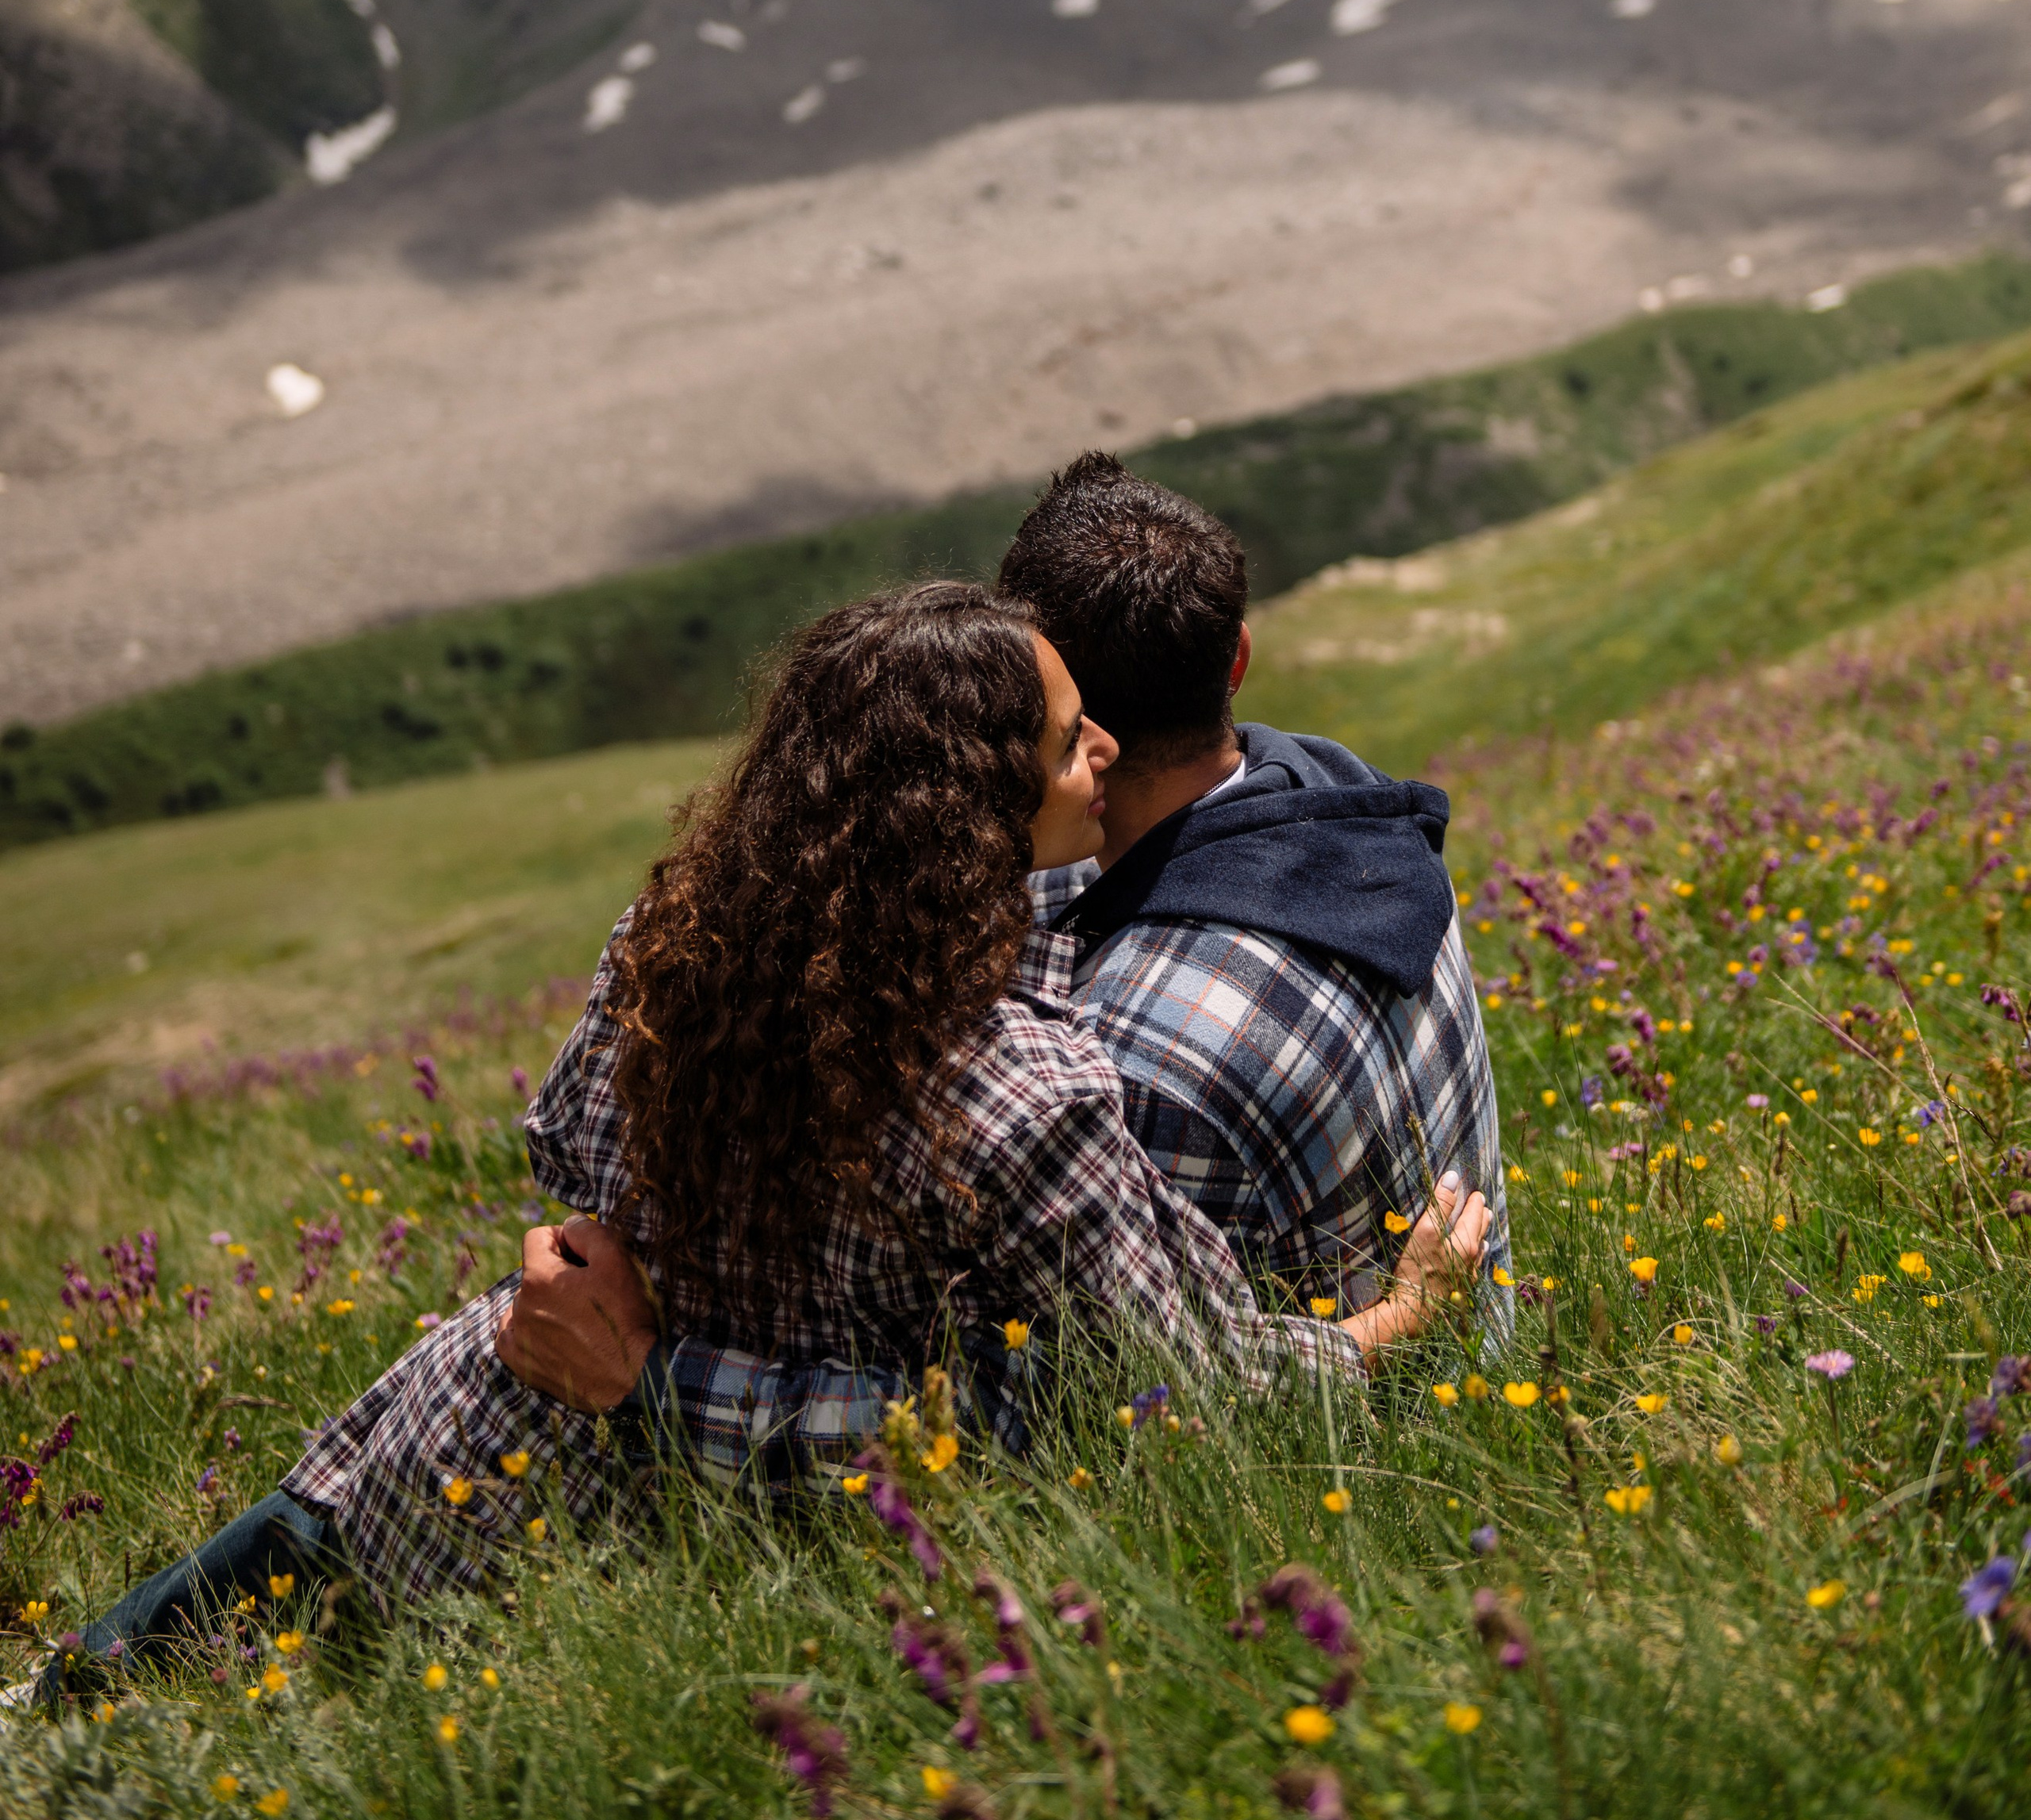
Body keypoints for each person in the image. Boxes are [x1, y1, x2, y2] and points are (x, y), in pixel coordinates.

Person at [27, 582, 1485, 1696]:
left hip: (421, 1455)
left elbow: (583, 1202)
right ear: (967, 813)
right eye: (1064, 736)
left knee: (67, 1713)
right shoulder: (1024, 1097)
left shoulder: (675, 942)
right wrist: (1398, 1314)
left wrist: (645, 1351)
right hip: (567, 1599)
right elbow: (1194, 1392)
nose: (1103, 741)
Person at [501, 456, 1510, 1474]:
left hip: (1340, 1453)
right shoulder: (1352, 807)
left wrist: (663, 1381)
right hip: (1459, 1394)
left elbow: (1136, 1412)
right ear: (1234, 658)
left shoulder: (1131, 1060)